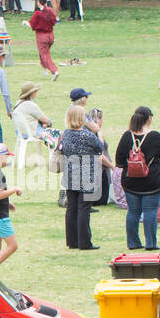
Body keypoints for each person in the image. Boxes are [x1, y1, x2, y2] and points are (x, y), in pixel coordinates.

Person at [114, 106, 160, 250]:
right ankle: (151, 243)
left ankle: (133, 243)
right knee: (150, 211)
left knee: (133, 212)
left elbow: (119, 160)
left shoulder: (127, 136)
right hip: (152, 182)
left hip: (130, 182)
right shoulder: (155, 136)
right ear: (149, 118)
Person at [60, 105, 112, 250]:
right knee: (84, 208)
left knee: (72, 208)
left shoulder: (66, 134)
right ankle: (84, 242)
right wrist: (99, 134)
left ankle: (72, 241)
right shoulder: (86, 135)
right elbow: (100, 148)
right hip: (86, 174)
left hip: (70, 174)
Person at [24, 0, 58, 79]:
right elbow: (54, 21)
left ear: (39, 3)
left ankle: (54, 71)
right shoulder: (50, 11)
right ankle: (45, 68)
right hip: (51, 36)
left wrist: (25, 23)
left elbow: (31, 25)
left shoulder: (38, 14)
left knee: (45, 54)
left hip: (42, 36)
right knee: (43, 53)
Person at [13, 81, 58, 146]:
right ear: (31, 93)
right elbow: (45, 119)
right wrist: (45, 123)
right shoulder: (30, 105)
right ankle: (53, 151)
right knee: (58, 133)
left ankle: (49, 142)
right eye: (36, 91)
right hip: (33, 132)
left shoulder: (18, 103)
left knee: (45, 124)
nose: (37, 92)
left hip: (20, 133)